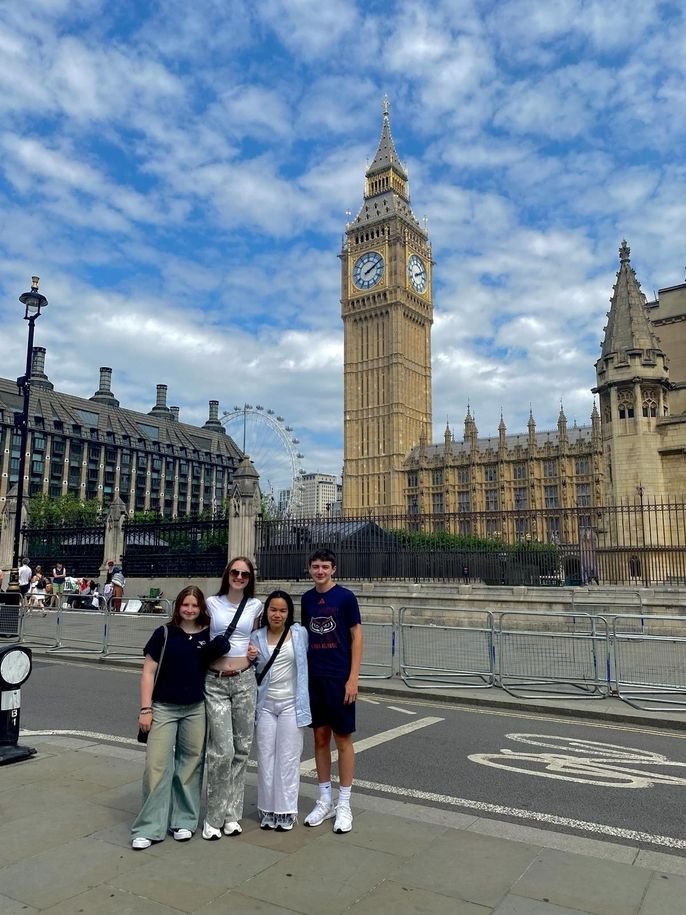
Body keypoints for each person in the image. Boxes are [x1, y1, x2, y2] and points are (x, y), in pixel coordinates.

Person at [131, 586, 210, 850]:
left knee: (190, 766)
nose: (190, 609)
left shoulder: (208, 635)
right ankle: (149, 826)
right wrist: (145, 709)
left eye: (195, 605)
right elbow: (147, 673)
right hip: (164, 708)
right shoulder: (164, 633)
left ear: (201, 608)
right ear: (178, 607)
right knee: (156, 766)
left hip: (196, 708)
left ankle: (183, 821)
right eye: (185, 605)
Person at [300, 549, 362, 834]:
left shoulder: (346, 598)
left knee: (343, 739)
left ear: (333, 569)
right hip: (315, 676)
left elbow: (356, 638)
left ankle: (345, 803)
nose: (320, 571)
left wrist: (353, 678)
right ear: (310, 570)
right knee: (320, 736)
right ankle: (324, 798)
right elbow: (303, 637)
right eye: (315, 567)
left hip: (339, 676)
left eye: (325, 567)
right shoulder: (307, 599)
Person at [202, 557, 262, 840]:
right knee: (221, 751)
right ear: (227, 575)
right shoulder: (212, 604)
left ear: (250, 579)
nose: (239, 577)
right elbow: (197, 632)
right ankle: (212, 817)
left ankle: (231, 815)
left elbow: (259, 637)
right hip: (215, 682)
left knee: (241, 750)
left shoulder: (255, 606)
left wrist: (254, 651)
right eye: (235, 572)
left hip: (245, 681)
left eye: (245, 574)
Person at [251, 590, 311, 831]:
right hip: (265, 705)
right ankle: (267, 809)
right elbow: (249, 668)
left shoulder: (300, 634)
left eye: (282, 610)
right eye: (273, 609)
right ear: (266, 611)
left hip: (291, 704)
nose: (277, 614)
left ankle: (285, 811)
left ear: (289, 613)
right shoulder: (256, 637)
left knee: (288, 759)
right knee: (265, 758)